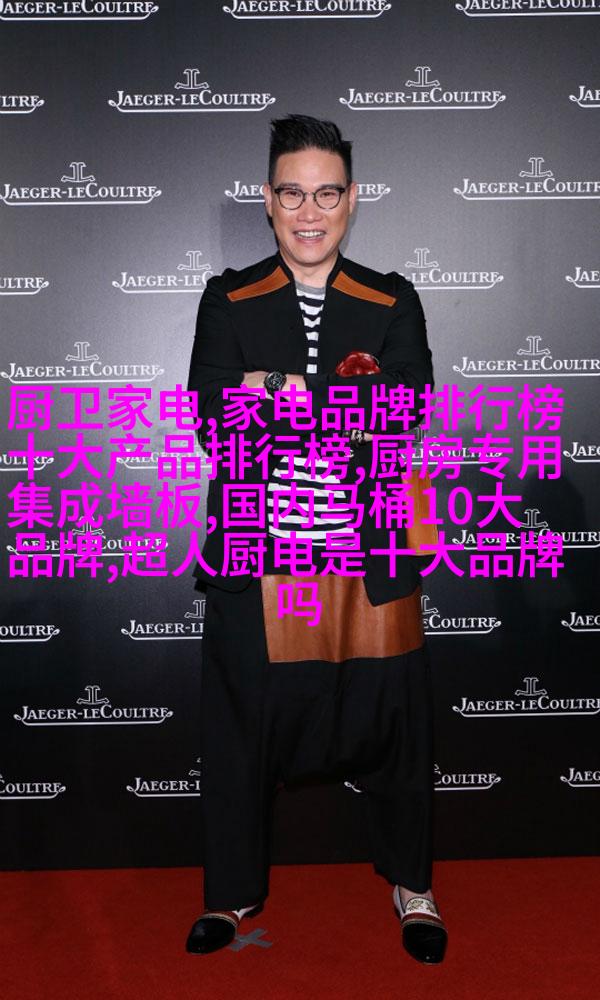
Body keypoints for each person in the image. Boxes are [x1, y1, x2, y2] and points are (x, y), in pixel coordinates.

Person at [186, 115, 447, 964]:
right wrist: (317, 394)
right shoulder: (228, 297)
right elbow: (211, 413)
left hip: (373, 551)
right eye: (292, 194)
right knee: (239, 732)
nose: (309, 212)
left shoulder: (391, 298)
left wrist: (270, 387)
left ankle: (414, 887)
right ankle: (231, 895)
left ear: (352, 200)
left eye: (326, 194)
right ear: (268, 202)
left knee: (398, 725)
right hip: (257, 556)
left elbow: (404, 408)